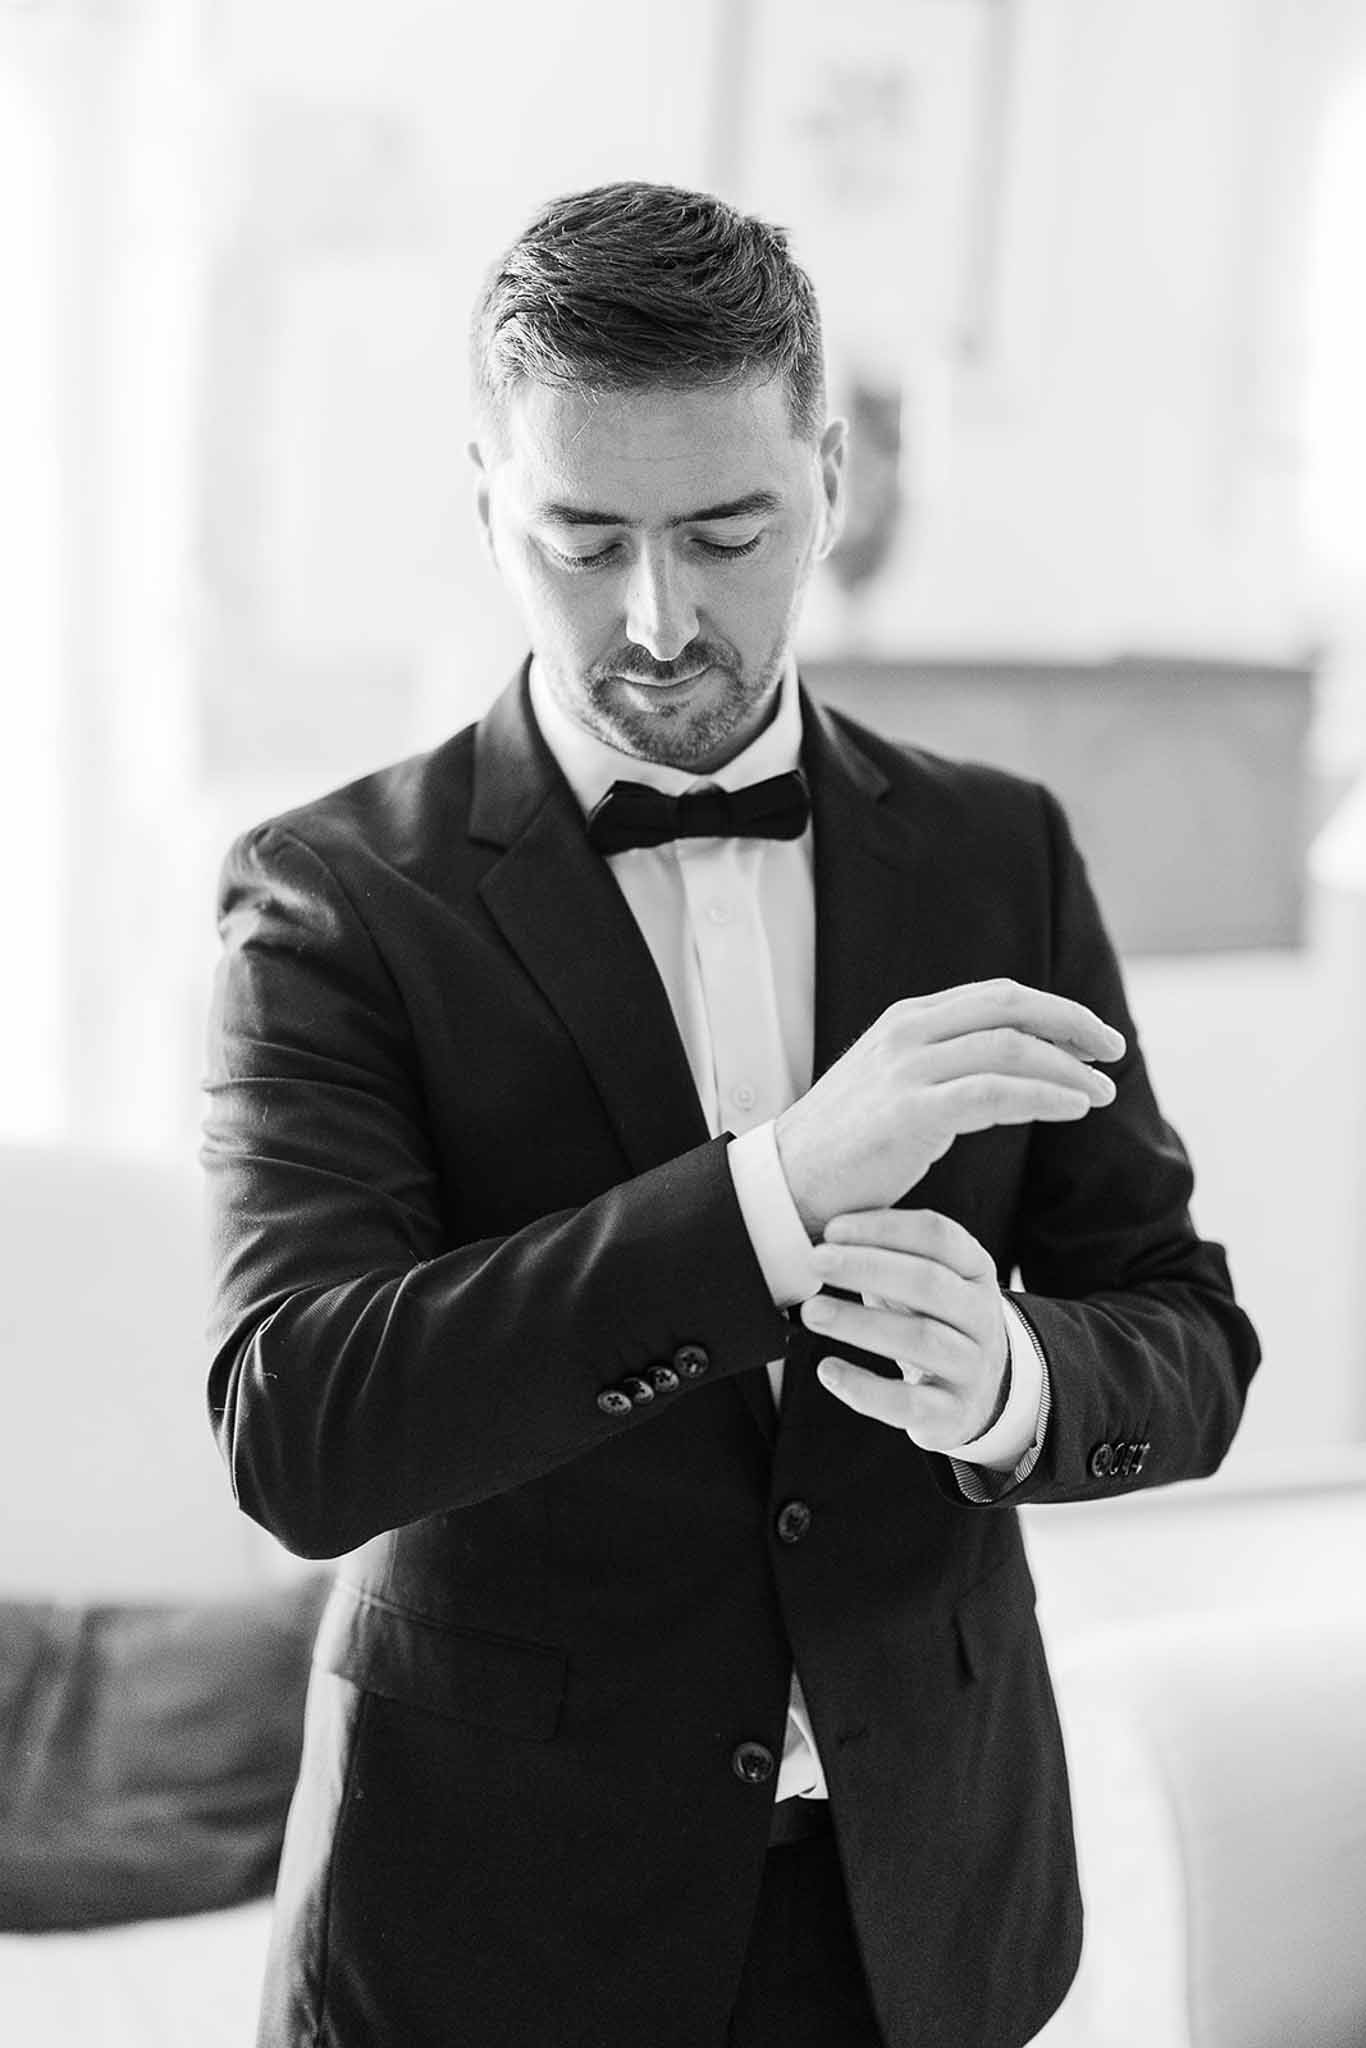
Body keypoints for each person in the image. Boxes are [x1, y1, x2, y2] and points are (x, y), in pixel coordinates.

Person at [202, 180, 1260, 2048]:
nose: (658, 618)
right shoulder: (329, 897)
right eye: (583, 539)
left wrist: (1015, 1381)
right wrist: (772, 1194)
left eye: (723, 532)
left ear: (827, 482)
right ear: (486, 502)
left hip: (921, 1907)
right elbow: (300, 1426)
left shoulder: (999, 850)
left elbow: (1184, 1335)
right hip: (494, 1924)